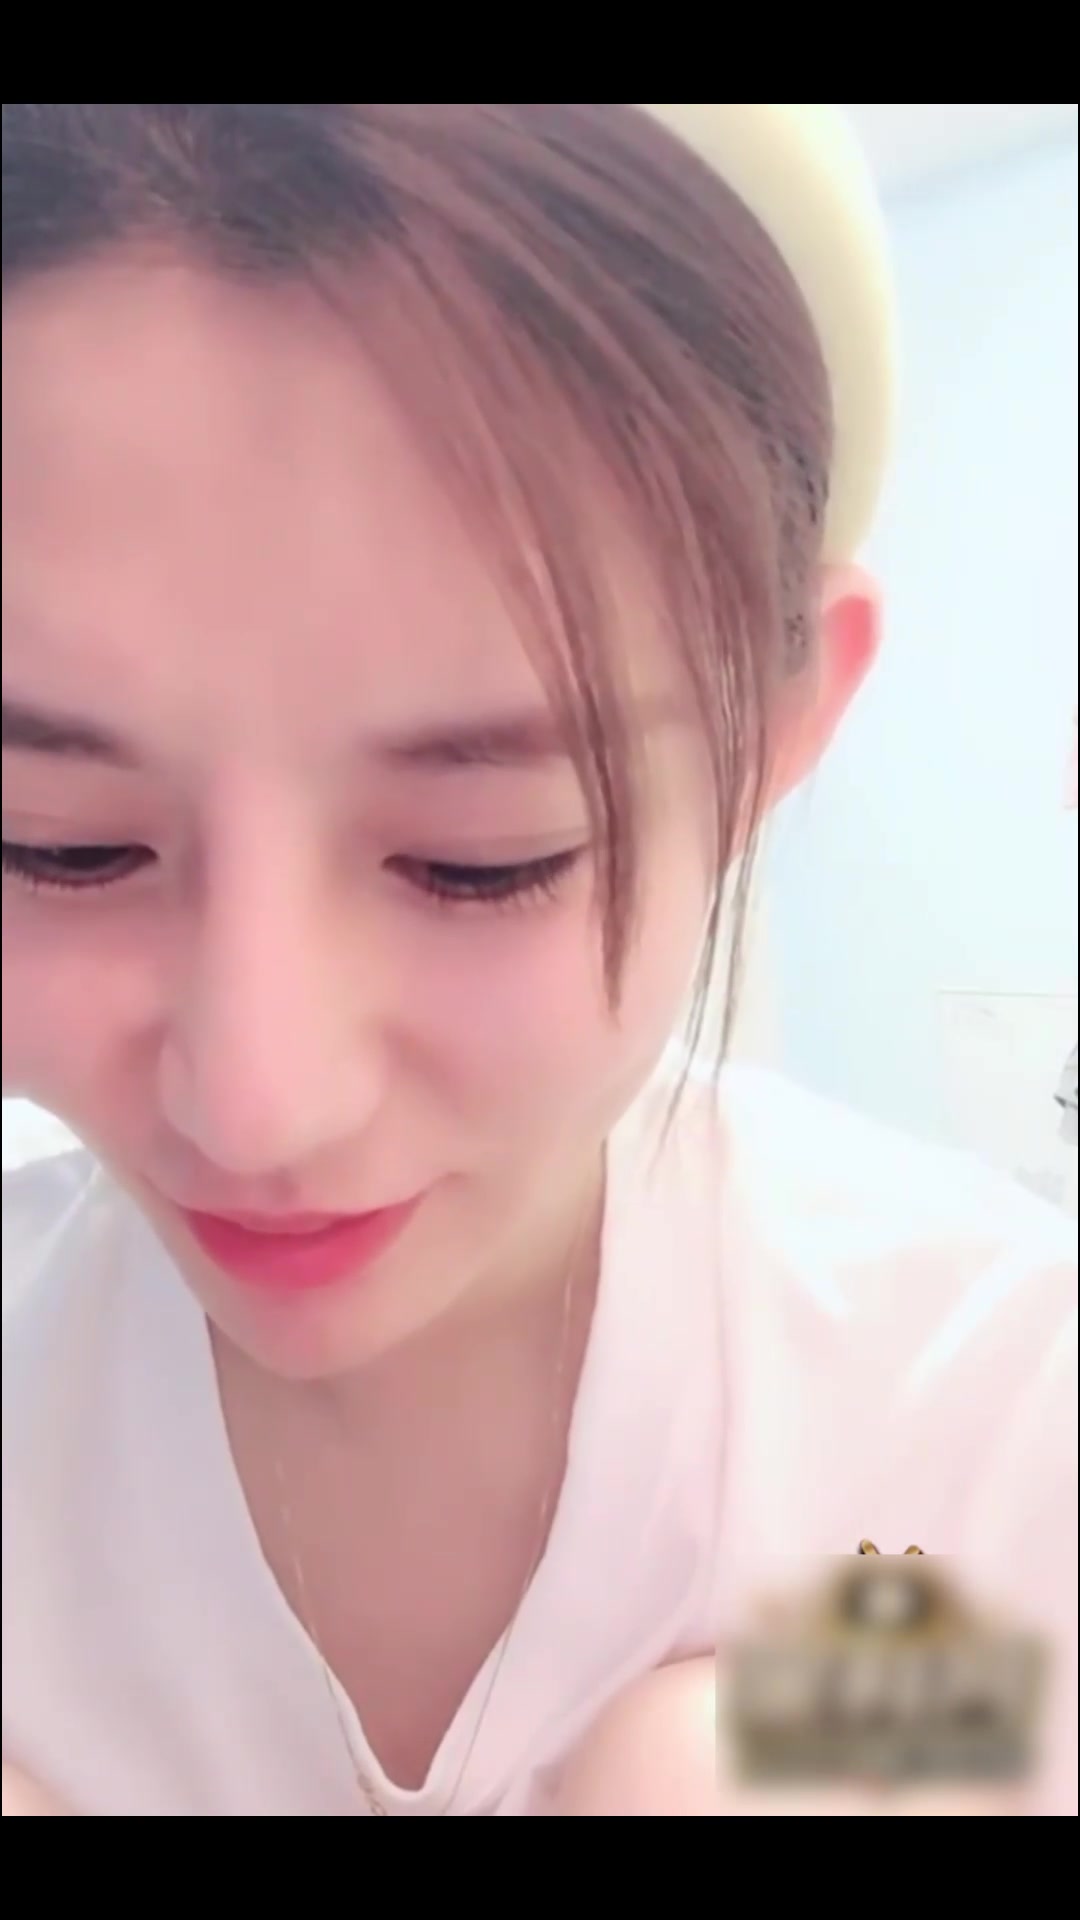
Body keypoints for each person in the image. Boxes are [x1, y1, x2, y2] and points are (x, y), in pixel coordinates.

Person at [2, 103, 1075, 1819]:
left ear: (775, 733)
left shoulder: (989, 1423)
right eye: (57, 841)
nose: (260, 1101)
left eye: (482, 858)